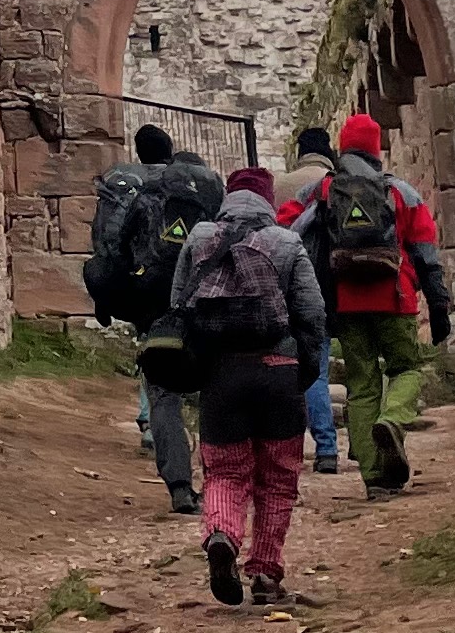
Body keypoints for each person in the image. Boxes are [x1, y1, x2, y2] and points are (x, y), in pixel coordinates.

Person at [168, 166, 327, 606]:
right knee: (278, 478)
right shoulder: (286, 241)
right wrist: (306, 369)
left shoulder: (199, 238)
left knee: (225, 472)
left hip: (221, 375)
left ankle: (222, 535)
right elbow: (311, 313)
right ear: (267, 201)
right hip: (278, 369)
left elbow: (178, 304)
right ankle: (266, 574)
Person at [302, 110, 452, 492]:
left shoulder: (323, 190)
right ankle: (393, 419)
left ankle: (373, 477)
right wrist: (437, 304)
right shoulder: (400, 191)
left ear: (343, 147)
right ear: (376, 149)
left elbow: (288, 227)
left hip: (346, 302)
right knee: (406, 368)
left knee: (361, 384)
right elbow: (425, 252)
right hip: (395, 297)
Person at [95, 123, 222, 510]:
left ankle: (180, 486)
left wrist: (117, 291)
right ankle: (224, 484)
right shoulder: (205, 192)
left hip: (153, 303)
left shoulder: (140, 194)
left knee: (163, 395)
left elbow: (114, 246)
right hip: (203, 299)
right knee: (214, 391)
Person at [273, 126, 350, 477]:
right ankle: (328, 449)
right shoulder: (337, 182)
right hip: (335, 287)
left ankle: (283, 447)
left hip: (288, 287)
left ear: (300, 150)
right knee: (318, 371)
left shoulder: (281, 185)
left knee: (283, 367)